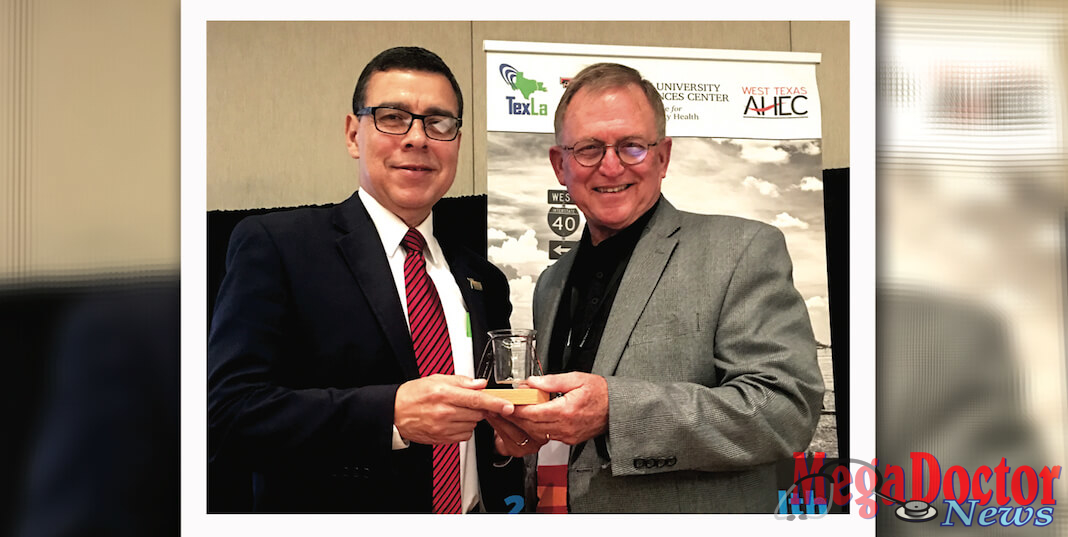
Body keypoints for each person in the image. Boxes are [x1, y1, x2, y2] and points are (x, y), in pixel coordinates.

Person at [488, 63, 825, 512]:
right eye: (588, 148)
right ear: (560, 164)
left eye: (632, 146)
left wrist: (616, 412)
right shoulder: (551, 282)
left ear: (663, 156)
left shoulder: (743, 249)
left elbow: (787, 410)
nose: (610, 166)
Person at [208, 46, 523, 513]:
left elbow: (476, 426)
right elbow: (227, 414)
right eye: (393, 117)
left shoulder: (483, 279)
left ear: (457, 140)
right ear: (354, 134)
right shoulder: (278, 247)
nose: (418, 138)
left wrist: (501, 448)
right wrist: (390, 413)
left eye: (439, 122)